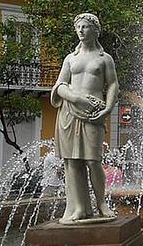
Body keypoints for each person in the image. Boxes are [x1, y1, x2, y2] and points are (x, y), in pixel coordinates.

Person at [51, 13, 119, 224]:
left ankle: (101, 204)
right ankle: (79, 207)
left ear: (96, 31)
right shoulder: (70, 59)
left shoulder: (104, 59)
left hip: (94, 114)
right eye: (78, 27)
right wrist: (76, 98)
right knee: (72, 162)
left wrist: (108, 109)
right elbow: (60, 85)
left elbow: (113, 84)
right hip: (70, 113)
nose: (81, 30)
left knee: (93, 160)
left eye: (86, 27)